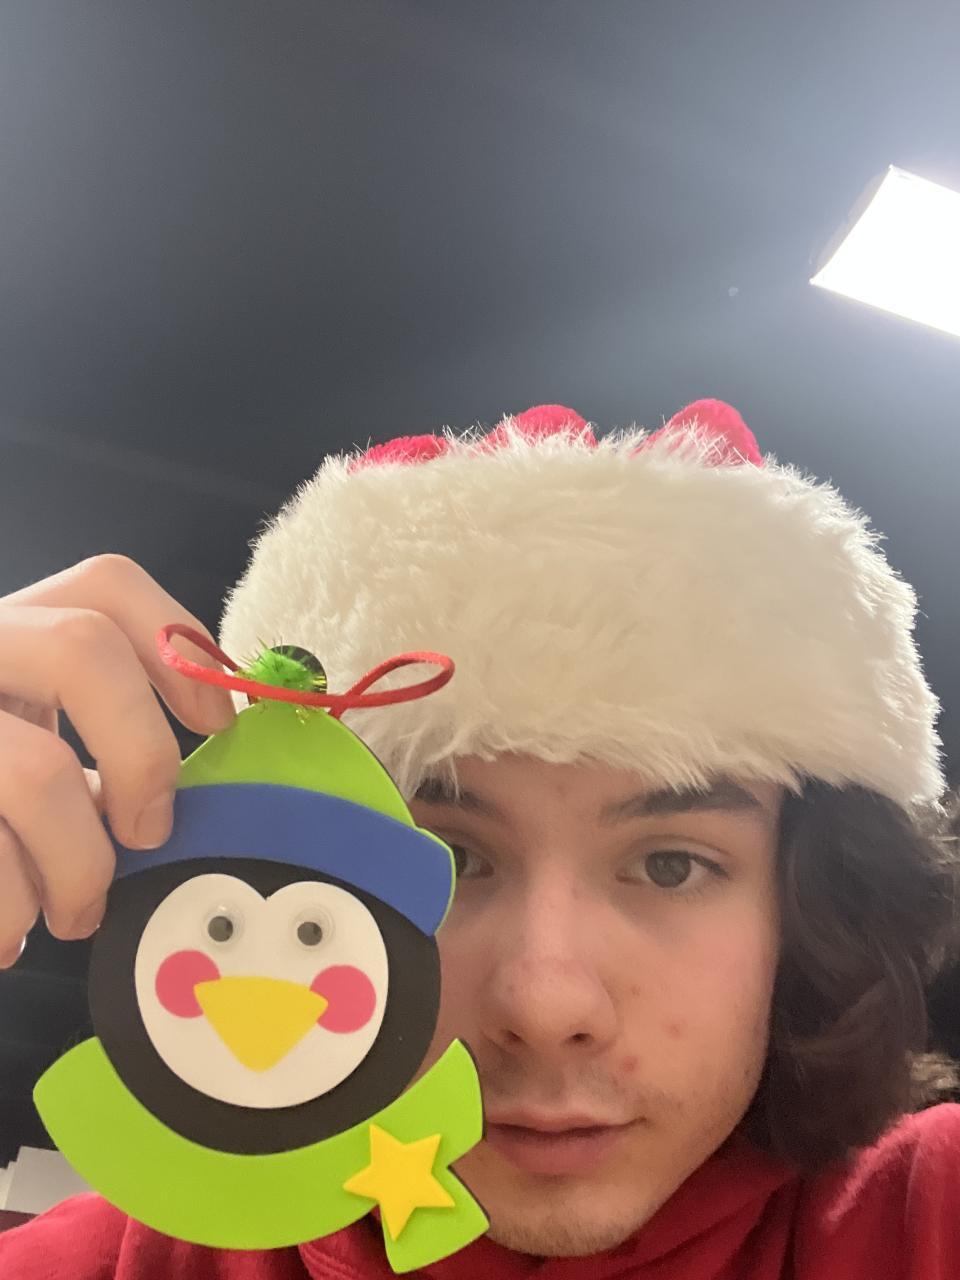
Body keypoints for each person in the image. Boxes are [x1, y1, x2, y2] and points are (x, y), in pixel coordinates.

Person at [0, 399, 958, 1279]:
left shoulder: (922, 1218)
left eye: (672, 866)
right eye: (451, 861)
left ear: (809, 911)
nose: (545, 1005)